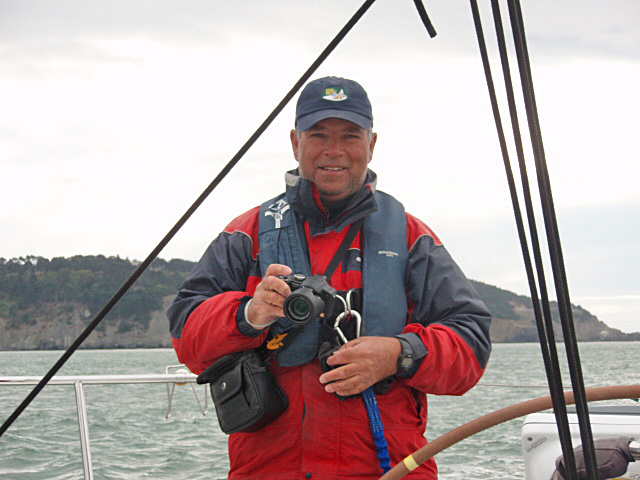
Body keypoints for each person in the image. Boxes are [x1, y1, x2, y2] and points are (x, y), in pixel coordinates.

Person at [167, 76, 492, 480]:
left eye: (350, 136)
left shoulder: (411, 238)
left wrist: (398, 353)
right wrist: (248, 314)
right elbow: (184, 336)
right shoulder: (244, 235)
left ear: (371, 145)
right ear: (295, 142)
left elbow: (471, 346)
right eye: (318, 134)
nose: (334, 150)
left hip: (389, 469)